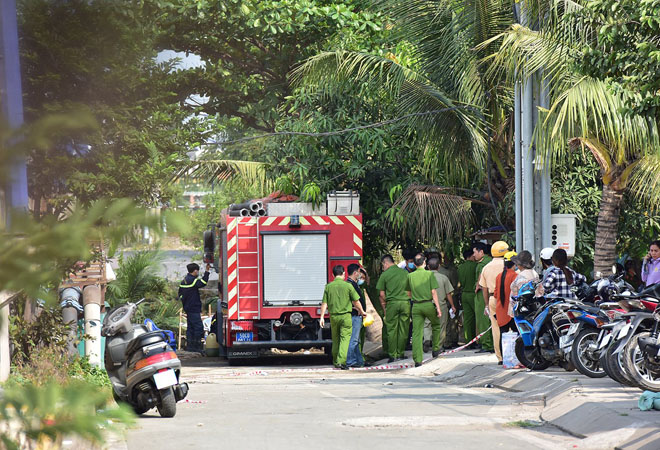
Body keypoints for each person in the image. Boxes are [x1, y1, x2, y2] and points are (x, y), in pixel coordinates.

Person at [320, 265, 365, 369]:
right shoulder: (348, 286)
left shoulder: (328, 286)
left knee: (335, 339)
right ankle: (341, 361)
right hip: (346, 317)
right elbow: (356, 301)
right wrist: (362, 311)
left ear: (333, 275)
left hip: (333, 317)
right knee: (345, 339)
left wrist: (322, 317)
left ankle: (336, 361)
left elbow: (324, 303)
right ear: (344, 274)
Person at [406, 255, 442, 367]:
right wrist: (438, 308)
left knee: (416, 333)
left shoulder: (410, 276)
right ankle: (435, 349)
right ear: (424, 263)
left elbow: (408, 293)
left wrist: (415, 297)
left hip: (416, 306)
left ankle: (417, 360)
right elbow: (433, 292)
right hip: (428, 304)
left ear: (415, 264)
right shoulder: (429, 274)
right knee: (436, 325)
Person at [478, 240, 509, 360]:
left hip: (492, 299)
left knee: (496, 329)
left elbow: (484, 289)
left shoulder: (486, 267)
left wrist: (487, 304)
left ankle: (500, 357)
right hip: (507, 299)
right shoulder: (508, 265)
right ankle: (510, 353)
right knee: (510, 327)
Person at [377, 254, 411, 362]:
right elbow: (410, 290)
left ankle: (392, 355)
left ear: (385, 263)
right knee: (403, 329)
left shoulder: (385, 275)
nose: (383, 268)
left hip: (392, 303)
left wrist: (388, 302)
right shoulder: (405, 273)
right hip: (405, 303)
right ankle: (400, 353)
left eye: (383, 265)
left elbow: (381, 294)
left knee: (391, 329)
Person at [493, 251, 519, 365]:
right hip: (511, 310)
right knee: (517, 334)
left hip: (500, 310)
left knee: (502, 334)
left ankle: (503, 359)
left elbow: (495, 294)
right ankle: (517, 357)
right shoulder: (515, 276)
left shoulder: (499, 276)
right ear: (514, 263)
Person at [178, 263, 210, 353]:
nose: (198, 272)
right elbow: (203, 282)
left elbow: (180, 294)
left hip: (188, 307)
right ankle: (197, 347)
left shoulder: (184, 281)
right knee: (198, 327)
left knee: (190, 327)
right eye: (197, 271)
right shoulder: (193, 281)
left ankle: (190, 346)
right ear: (195, 271)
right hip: (194, 308)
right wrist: (207, 271)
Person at [428, 257, 456, 352]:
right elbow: (448, 294)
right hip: (441, 305)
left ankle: (428, 339)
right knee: (441, 326)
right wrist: (452, 305)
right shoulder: (443, 277)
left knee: (428, 325)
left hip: (427, 304)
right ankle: (438, 346)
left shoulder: (425, 277)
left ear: (428, 266)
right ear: (439, 266)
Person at [346, 264, 367, 368]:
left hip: (356, 316)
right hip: (355, 316)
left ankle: (359, 361)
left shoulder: (353, 284)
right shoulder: (351, 285)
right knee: (354, 340)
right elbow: (355, 301)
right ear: (355, 273)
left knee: (356, 340)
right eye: (359, 272)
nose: (360, 275)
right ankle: (350, 361)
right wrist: (361, 310)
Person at [473, 241, 493, 352]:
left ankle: (486, 344)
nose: (474, 255)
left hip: (482, 294)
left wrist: (477, 286)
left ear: (481, 252)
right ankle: (490, 342)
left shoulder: (482, 264)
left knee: (483, 319)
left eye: (475, 252)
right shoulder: (489, 261)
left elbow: (480, 281)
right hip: (490, 292)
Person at [437, 252, 460, 348]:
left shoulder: (428, 274)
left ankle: (438, 342)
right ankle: (449, 340)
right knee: (450, 320)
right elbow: (454, 287)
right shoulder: (449, 272)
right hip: (449, 297)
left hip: (434, 300)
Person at [457, 249, 478, 348]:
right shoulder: (475, 266)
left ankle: (468, 341)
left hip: (464, 294)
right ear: (471, 256)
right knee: (479, 318)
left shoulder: (460, 267)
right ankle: (480, 340)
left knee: (467, 319)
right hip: (474, 294)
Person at [509, 250, 540, 317]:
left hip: (521, 310)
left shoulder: (522, 276)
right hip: (531, 308)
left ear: (521, 265)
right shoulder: (534, 273)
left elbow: (521, 293)